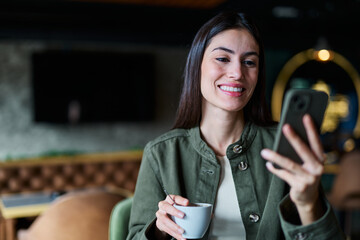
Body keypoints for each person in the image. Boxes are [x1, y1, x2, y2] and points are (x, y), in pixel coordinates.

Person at [127, 11, 345, 240]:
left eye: (249, 62)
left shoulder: (284, 147)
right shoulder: (161, 154)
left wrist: (308, 204)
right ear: (197, 64)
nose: (237, 73)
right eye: (222, 58)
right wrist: (160, 230)